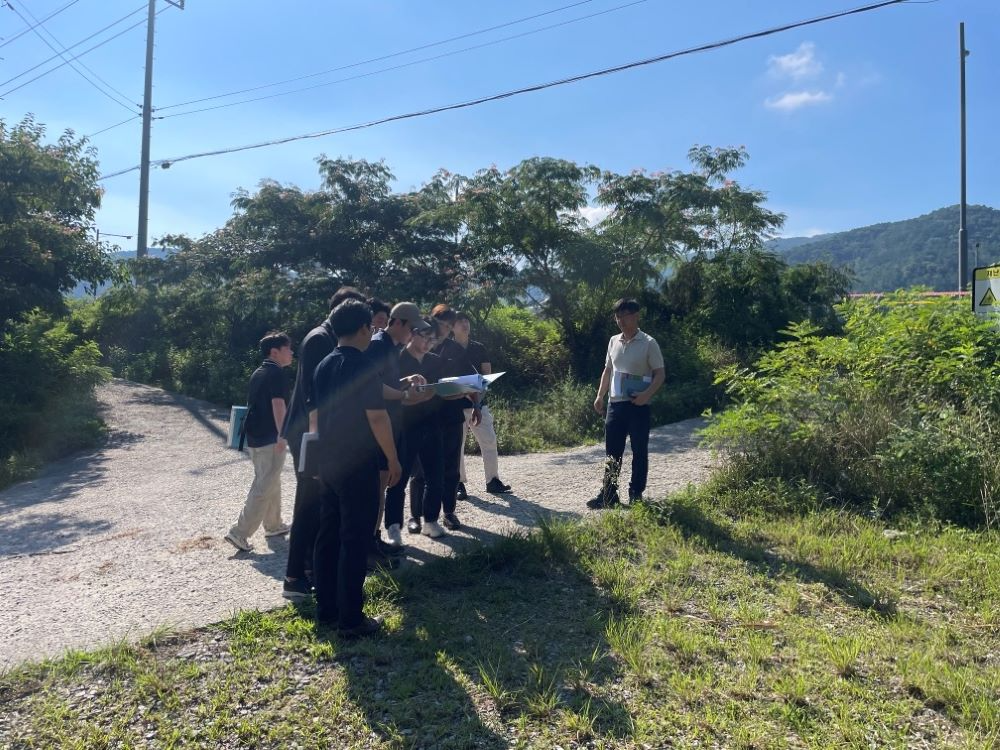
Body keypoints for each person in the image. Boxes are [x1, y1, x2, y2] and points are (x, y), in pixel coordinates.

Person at [311, 299, 401, 637]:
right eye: (372, 328)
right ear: (364, 328)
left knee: (329, 536)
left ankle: (328, 611)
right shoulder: (361, 365)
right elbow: (377, 417)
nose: (373, 333)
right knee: (355, 539)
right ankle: (352, 620)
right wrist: (392, 459)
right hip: (358, 464)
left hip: (329, 462)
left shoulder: (324, 365)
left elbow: (316, 417)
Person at [281, 286, 366, 601]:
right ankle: (294, 576)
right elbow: (312, 396)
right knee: (308, 503)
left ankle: (312, 570)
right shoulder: (319, 338)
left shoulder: (328, 337)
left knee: (319, 504)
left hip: (318, 432)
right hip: (309, 432)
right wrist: (320, 445)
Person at [365, 302, 432, 565]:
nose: (413, 335)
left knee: (382, 488)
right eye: (413, 329)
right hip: (379, 427)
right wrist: (405, 394)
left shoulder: (391, 348)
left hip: (393, 424)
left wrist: (407, 380)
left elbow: (389, 383)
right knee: (377, 489)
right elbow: (375, 388)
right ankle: (369, 546)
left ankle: (375, 538)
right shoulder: (379, 345)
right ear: (400, 323)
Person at [589, 299, 665, 509]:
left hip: (638, 405)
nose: (621, 320)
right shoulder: (613, 341)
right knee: (612, 452)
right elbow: (608, 370)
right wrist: (600, 396)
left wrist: (646, 395)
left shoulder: (649, 343)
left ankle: (636, 494)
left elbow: (660, 374)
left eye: (625, 315)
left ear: (636, 315)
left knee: (639, 451)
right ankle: (609, 495)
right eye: (617, 316)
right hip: (616, 405)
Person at [225, 332, 294, 551]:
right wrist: (282, 434)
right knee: (264, 485)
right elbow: (278, 405)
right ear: (275, 352)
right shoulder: (276, 373)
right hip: (270, 438)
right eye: (288, 348)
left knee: (270, 479)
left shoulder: (259, 372)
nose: (291, 352)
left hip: (255, 438)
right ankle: (239, 532)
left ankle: (273, 525)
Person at [386, 321, 448, 541]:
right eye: (425, 338)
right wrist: (414, 397)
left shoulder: (435, 361)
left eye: (432, 340)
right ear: (413, 334)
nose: (428, 344)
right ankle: (393, 526)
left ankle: (430, 520)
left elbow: (440, 390)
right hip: (406, 426)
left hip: (432, 423)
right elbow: (392, 393)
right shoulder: (398, 359)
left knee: (435, 475)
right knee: (399, 478)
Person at [430, 304, 480, 529]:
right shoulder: (421, 345)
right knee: (426, 472)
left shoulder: (456, 349)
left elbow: (472, 378)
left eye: (450, 325)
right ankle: (422, 517)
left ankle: (449, 512)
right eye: (444, 324)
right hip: (426, 416)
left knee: (451, 468)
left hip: (452, 415)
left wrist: (476, 405)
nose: (447, 329)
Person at [453, 311, 511, 498]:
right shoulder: (447, 349)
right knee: (457, 446)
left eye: (466, 320)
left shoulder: (479, 348)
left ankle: (492, 480)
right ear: (452, 327)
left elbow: (487, 376)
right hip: (455, 404)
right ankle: (459, 483)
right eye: (460, 321)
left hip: (480, 402)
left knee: (489, 440)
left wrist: (476, 397)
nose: (464, 324)